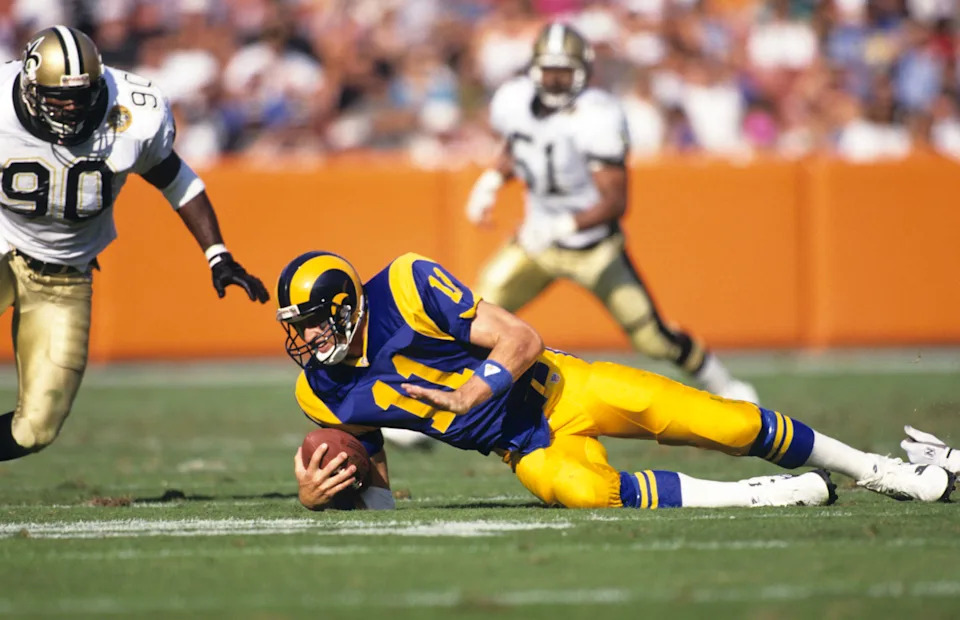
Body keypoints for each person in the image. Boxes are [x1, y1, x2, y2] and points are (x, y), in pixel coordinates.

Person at [280, 250, 955, 511]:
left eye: (311, 323)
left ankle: (878, 469)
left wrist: (472, 392)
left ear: (344, 307)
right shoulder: (320, 390)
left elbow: (521, 339)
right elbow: (377, 493)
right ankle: (763, 496)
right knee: (579, 491)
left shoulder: (407, 284)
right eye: (294, 328)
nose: (303, 341)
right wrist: (326, 497)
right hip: (523, 446)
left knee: (731, 423)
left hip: (561, 386)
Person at [0, 26, 270, 462]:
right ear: (29, 86)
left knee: (36, 428)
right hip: (1, 242)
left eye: (80, 95)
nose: (70, 108)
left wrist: (218, 254)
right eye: (58, 97)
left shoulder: (133, 111)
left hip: (64, 272)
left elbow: (176, 180)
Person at [464, 22, 758, 403]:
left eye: (564, 72)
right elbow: (518, 143)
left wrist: (561, 225)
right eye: (549, 71)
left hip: (594, 250)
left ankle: (725, 384)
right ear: (534, 71)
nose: (555, 81)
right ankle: (429, 411)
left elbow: (616, 201)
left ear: (583, 72)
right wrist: (491, 179)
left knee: (653, 338)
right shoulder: (514, 100)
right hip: (535, 243)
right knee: (472, 319)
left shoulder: (598, 116)